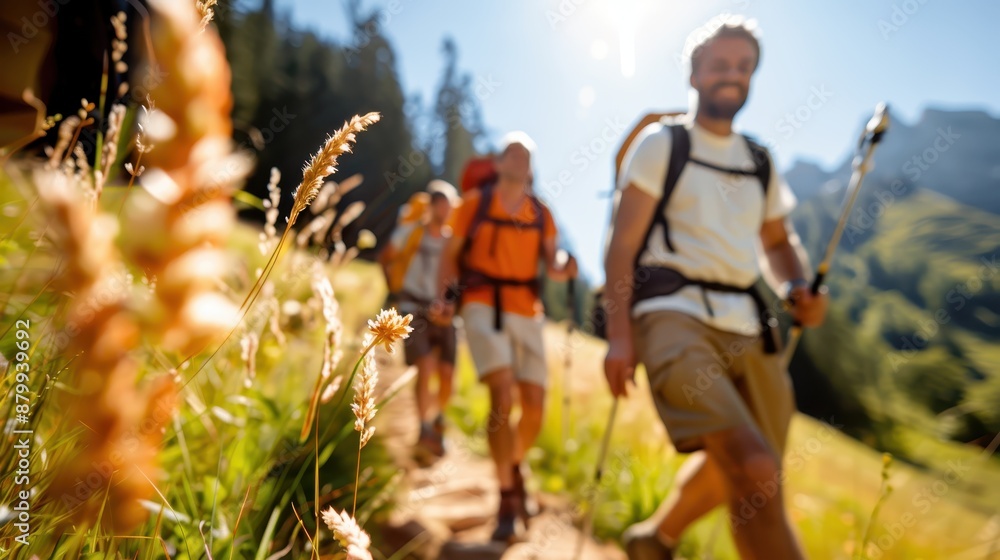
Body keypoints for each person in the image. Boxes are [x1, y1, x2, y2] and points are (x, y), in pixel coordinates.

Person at [603, 17, 828, 560]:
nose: (733, 75)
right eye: (721, 64)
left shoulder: (759, 161)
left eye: (744, 66)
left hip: (749, 326)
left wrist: (797, 284)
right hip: (671, 315)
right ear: (696, 73)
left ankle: (654, 539)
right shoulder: (664, 144)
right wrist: (618, 335)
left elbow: (777, 242)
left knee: (760, 470)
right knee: (755, 466)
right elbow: (622, 243)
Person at [436, 132, 578, 543]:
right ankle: (505, 498)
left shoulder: (541, 213)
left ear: (531, 168)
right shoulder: (472, 206)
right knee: (502, 392)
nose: (519, 161)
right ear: (497, 164)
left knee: (534, 405)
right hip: (482, 303)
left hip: (527, 311)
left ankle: (514, 469)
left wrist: (565, 264)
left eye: (526, 156)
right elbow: (451, 254)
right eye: (512, 154)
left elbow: (552, 264)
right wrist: (446, 296)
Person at [379, 180, 460, 461]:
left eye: (451, 205)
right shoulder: (411, 233)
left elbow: (460, 279)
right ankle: (425, 428)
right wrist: (393, 291)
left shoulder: (454, 242)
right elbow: (386, 257)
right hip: (413, 307)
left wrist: (451, 305)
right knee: (425, 367)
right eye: (443, 204)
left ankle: (436, 420)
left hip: (445, 315)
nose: (447, 210)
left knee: (448, 375)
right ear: (433, 206)